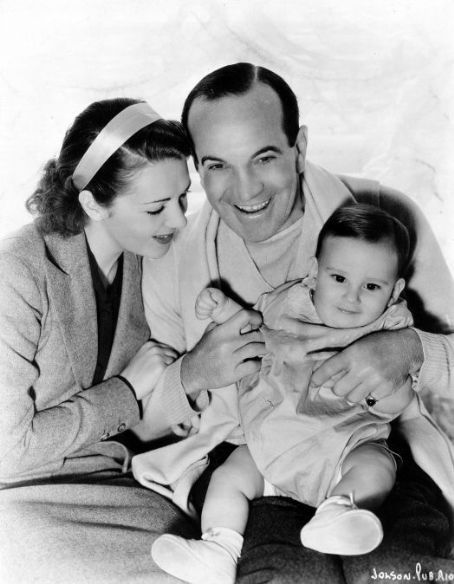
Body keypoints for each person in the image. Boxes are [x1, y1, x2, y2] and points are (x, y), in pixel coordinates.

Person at [133, 63, 454, 583]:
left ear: (299, 149)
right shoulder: (172, 258)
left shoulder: (383, 215)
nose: (245, 190)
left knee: (398, 570)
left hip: (368, 446)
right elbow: (142, 423)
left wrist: (411, 349)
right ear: (197, 168)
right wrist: (192, 374)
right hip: (257, 457)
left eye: (264, 158)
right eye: (217, 165)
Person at [150, 204, 420, 583]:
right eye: (339, 278)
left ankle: (338, 514)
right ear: (314, 272)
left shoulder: (390, 329)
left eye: (372, 287)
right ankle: (219, 549)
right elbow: (253, 330)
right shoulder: (287, 305)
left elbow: (400, 401)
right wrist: (224, 311)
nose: (352, 297)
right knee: (230, 477)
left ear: (395, 291)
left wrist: (383, 386)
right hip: (271, 448)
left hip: (344, 447)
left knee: (377, 465)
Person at [0, 97, 204, 583]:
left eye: (182, 198)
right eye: (156, 208)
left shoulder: (150, 257)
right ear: (92, 203)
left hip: (115, 485)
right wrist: (127, 391)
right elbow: (6, 450)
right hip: (15, 498)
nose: (178, 220)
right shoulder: (16, 273)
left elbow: (150, 418)